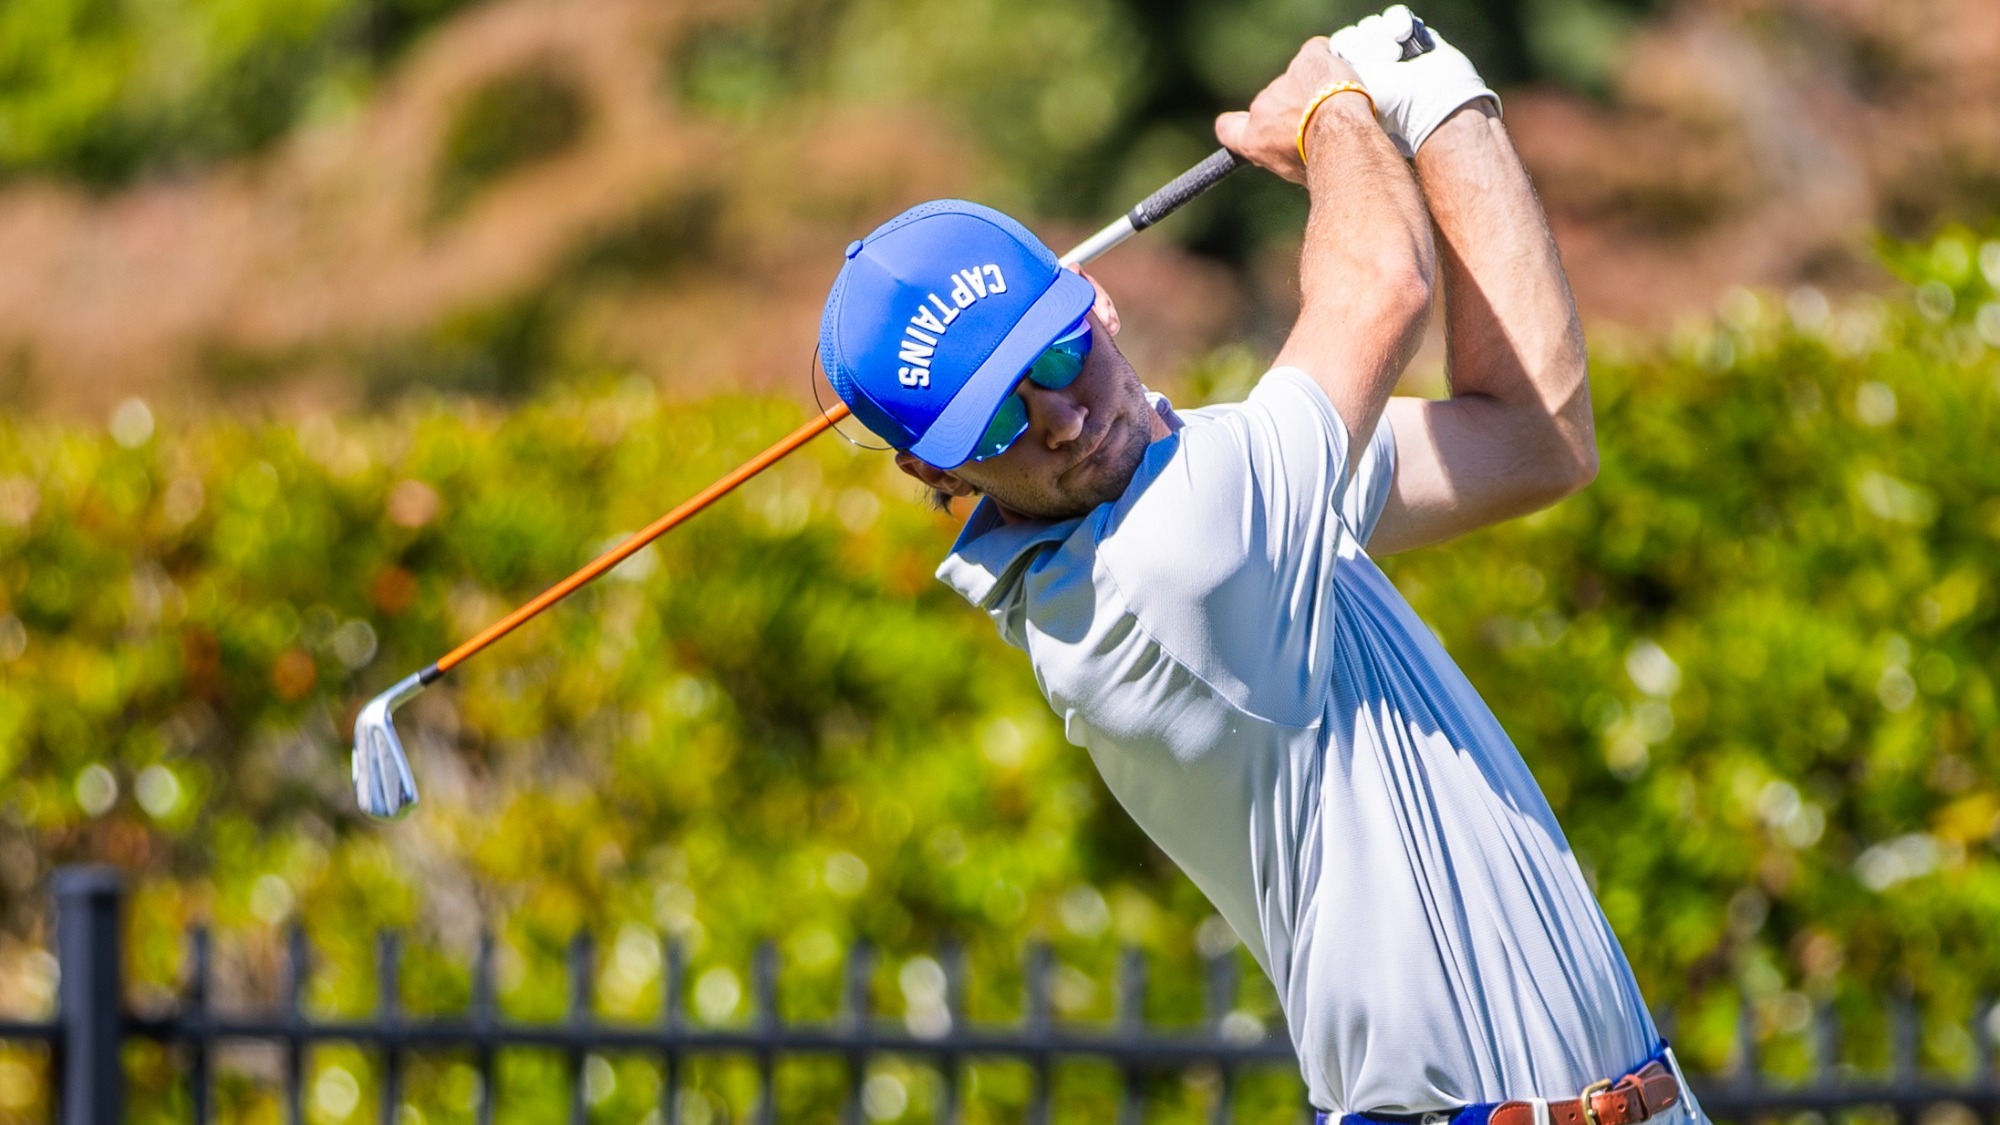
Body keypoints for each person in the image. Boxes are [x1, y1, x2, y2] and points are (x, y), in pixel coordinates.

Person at [817, 8, 1709, 1125]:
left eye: (1052, 355)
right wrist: (1332, 107)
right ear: (926, 474)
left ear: (1095, 301)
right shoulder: (1173, 554)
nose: (1058, 418)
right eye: (994, 420)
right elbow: (1379, 287)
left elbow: (1533, 441)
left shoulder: (1223, 487)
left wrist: (1441, 105)